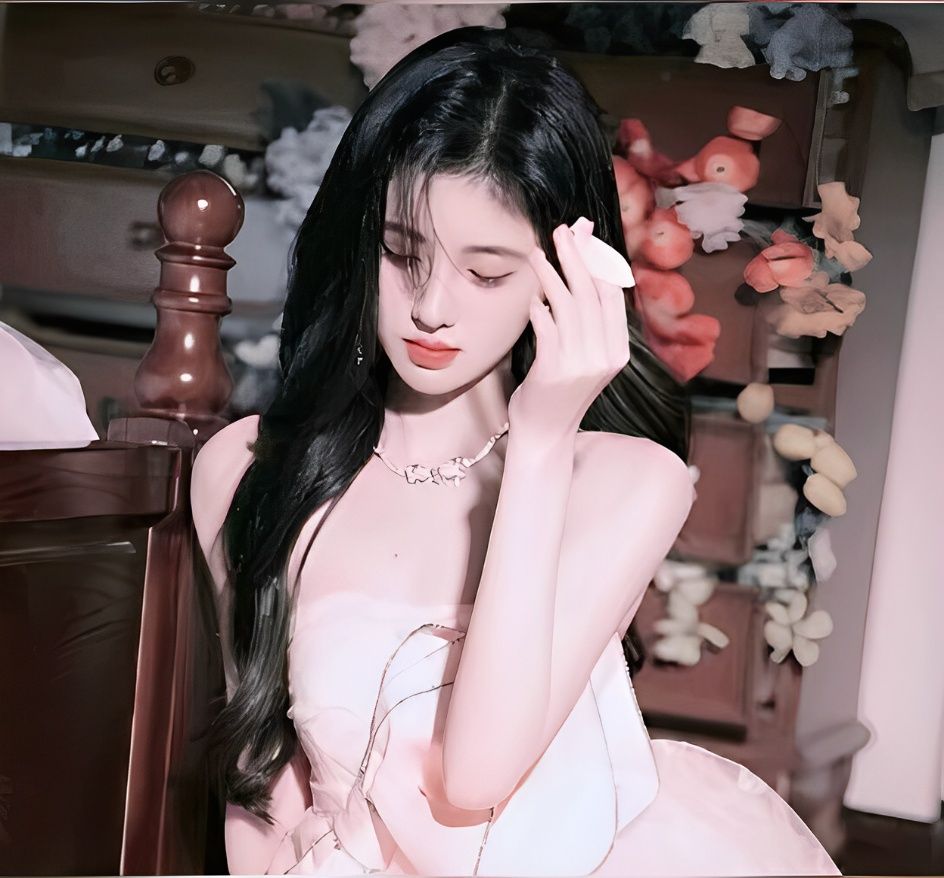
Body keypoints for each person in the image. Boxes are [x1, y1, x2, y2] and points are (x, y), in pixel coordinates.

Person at [191, 26, 840, 877]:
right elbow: (261, 776)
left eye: (487, 272)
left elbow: (475, 779)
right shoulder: (245, 468)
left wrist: (540, 442)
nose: (431, 307)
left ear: (570, 272)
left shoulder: (626, 479)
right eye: (401, 253)